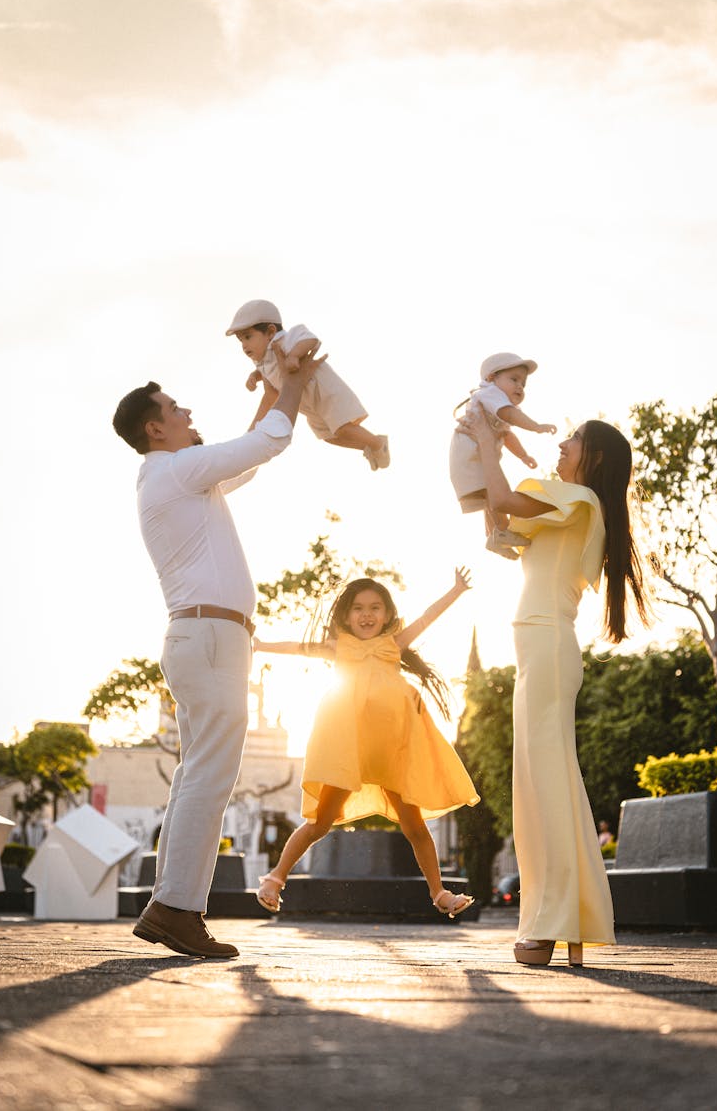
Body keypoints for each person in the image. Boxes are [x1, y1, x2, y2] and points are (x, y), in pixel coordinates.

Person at [112, 345, 322, 958]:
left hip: (204, 638)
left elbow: (244, 460)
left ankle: (169, 905)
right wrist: (297, 383)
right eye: (176, 409)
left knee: (196, 776)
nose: (187, 411)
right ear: (156, 429)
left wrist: (272, 386)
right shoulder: (174, 470)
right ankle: (178, 908)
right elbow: (270, 442)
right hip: (207, 638)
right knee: (208, 776)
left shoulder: (175, 474)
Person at [461, 409, 650, 967]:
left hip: (547, 649)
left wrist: (488, 445)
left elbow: (508, 498)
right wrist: (481, 451)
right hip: (537, 651)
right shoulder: (566, 508)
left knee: (547, 785)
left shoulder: (582, 501)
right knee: (539, 787)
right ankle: (560, 919)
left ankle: (556, 920)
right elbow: (499, 525)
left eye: (572, 441)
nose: (561, 446)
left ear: (592, 459)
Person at [252, 569, 480, 917]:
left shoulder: (394, 644)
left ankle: (440, 894)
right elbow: (296, 648)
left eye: (375, 607)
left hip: (394, 752)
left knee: (415, 826)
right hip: (350, 753)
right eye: (358, 608)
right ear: (345, 615)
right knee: (320, 822)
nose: (367, 615)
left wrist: (456, 590)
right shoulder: (338, 648)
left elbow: (427, 617)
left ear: (388, 614)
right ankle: (274, 878)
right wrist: (258, 645)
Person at [226, 298, 390, 471]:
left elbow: (310, 339)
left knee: (342, 429)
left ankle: (378, 442)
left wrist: (295, 355)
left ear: (271, 332)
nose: (244, 345)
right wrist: (255, 376)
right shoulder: (261, 361)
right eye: (240, 340)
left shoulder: (286, 340)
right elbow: (269, 378)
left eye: (248, 337)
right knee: (328, 436)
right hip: (309, 406)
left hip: (325, 393)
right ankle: (367, 447)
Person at [450, 352, 556, 558]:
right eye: (514, 379)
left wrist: (524, 456)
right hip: (471, 452)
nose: (519, 387)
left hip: (468, 453)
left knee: (487, 495)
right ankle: (502, 530)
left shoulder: (492, 401)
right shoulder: (490, 393)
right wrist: (535, 426)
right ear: (491, 378)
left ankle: (495, 537)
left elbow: (506, 434)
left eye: (523, 384)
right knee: (492, 491)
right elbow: (510, 416)